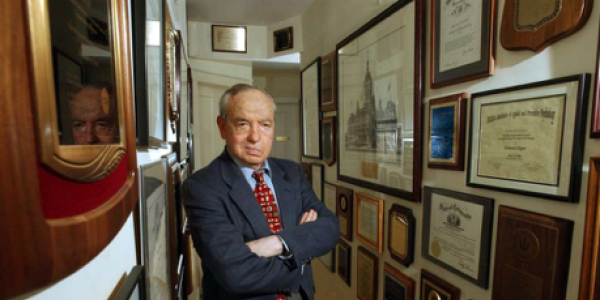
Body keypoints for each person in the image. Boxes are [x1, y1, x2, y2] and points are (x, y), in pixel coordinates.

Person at [183, 84, 339, 300]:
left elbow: (330, 227)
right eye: (243, 124)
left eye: (265, 125)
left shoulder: (291, 172)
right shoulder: (202, 186)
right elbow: (235, 273)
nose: (255, 137)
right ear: (222, 127)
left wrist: (278, 242)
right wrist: (301, 253)